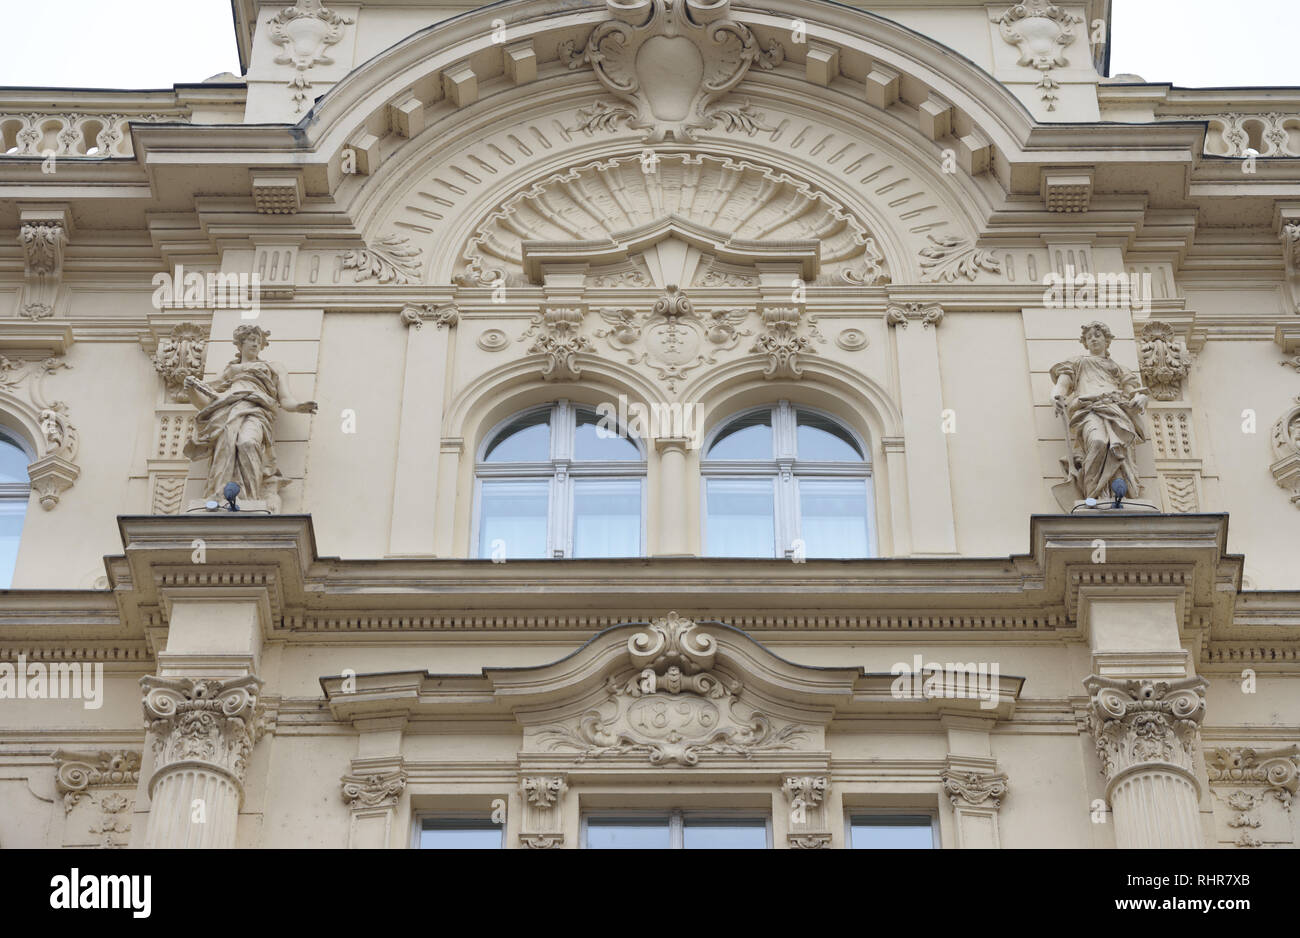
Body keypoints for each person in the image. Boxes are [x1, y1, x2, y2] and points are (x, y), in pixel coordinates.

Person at [183, 324, 317, 505]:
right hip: (227, 413)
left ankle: (250, 498)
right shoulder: (228, 372)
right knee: (226, 448)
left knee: (248, 442)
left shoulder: (274, 367)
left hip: (256, 411)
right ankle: (222, 495)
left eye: (258, 341)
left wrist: (298, 406)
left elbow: (285, 398)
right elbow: (208, 404)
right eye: (251, 340)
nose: (256, 344)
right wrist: (191, 391)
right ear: (240, 344)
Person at [1050, 321, 1149, 501]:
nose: (1093, 339)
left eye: (1097, 335)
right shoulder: (1078, 362)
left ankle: (1114, 495)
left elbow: (1133, 392)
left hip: (1116, 408)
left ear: (1107, 340)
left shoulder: (1119, 368)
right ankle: (1092, 493)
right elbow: (1062, 384)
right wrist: (1056, 396)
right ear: (1085, 343)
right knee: (1098, 441)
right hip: (1089, 409)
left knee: (1118, 450)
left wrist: (1141, 399)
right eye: (1089, 337)